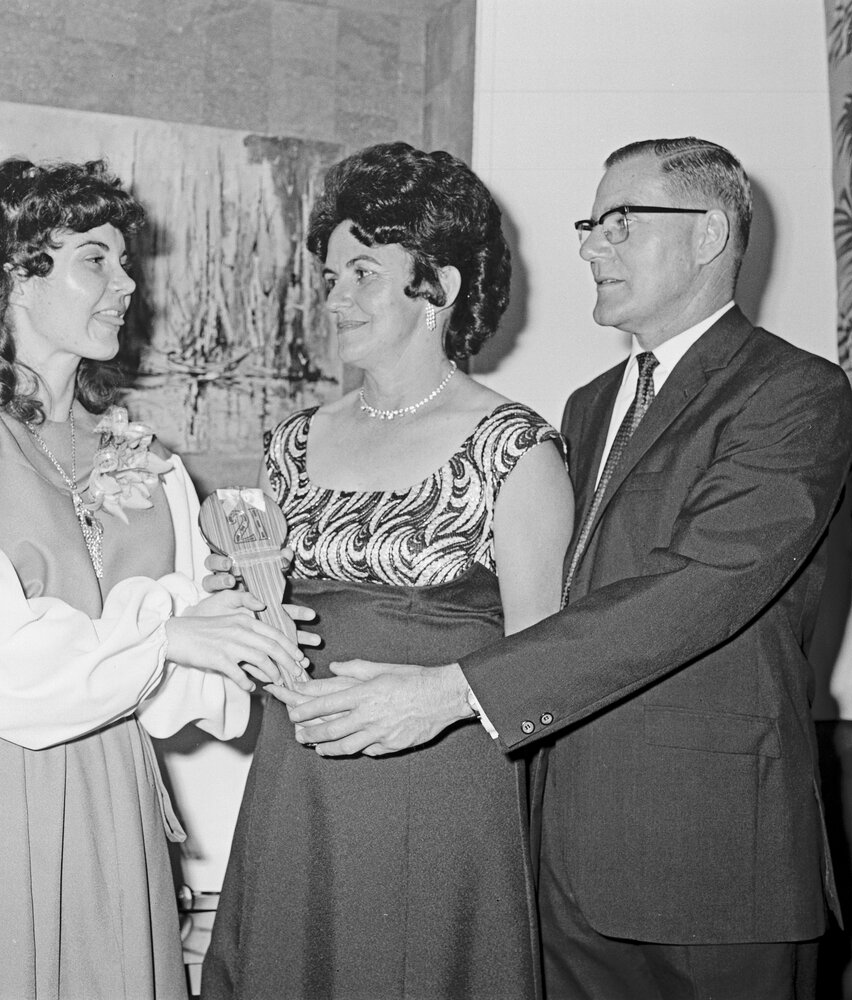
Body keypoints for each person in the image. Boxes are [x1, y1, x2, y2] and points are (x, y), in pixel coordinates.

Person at [280, 137, 852, 1000]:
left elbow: (698, 587)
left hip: (712, 865)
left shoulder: (795, 393)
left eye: (621, 223)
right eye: (592, 225)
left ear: (707, 235)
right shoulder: (588, 407)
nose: (590, 246)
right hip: (562, 864)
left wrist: (450, 691)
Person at [0, 158, 311, 1000]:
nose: (128, 284)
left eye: (125, 261)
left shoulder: (147, 459)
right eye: (96, 259)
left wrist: (245, 620)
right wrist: (171, 634)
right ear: (17, 278)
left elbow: (180, 694)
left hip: (118, 788)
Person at [201, 141, 573, 1000]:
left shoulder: (513, 449)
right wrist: (240, 617)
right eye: (330, 276)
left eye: (363, 273)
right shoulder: (292, 443)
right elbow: (269, 615)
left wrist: (435, 699)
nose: (335, 297)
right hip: (300, 785)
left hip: (441, 794)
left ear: (437, 286)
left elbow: (548, 666)